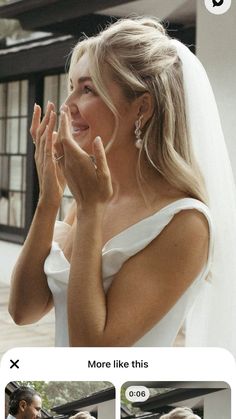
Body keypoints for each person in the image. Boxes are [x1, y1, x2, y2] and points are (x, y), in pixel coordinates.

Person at [8, 17, 236, 350]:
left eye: (87, 89)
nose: (68, 104)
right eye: (71, 86)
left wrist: (88, 211)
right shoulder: (94, 195)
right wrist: (49, 199)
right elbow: (23, 310)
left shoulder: (185, 222)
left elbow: (92, 351)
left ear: (141, 107)